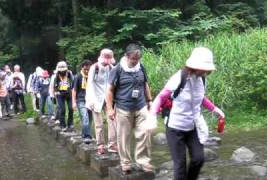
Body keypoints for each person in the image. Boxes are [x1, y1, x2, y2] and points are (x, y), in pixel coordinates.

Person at [149, 47, 225, 180]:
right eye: (204, 68)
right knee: (180, 167)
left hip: (192, 126)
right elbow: (160, 97)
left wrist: (215, 109)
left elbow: (200, 98)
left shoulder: (202, 79)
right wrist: (152, 115)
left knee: (198, 159)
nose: (206, 71)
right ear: (195, 65)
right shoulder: (179, 77)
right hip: (175, 128)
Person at [106, 44, 154, 173]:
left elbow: (145, 84)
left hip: (141, 105)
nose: (135, 61)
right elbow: (109, 90)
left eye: (137, 59)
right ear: (126, 56)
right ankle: (125, 162)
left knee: (144, 132)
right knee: (124, 136)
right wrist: (110, 109)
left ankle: (143, 161)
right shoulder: (117, 69)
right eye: (133, 58)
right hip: (123, 107)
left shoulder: (141, 67)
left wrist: (149, 101)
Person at [86, 48, 117, 155]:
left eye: (109, 59)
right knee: (98, 123)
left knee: (112, 121)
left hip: (108, 99)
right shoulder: (95, 68)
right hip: (96, 98)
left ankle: (112, 145)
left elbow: (114, 85)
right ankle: (100, 145)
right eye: (106, 58)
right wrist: (90, 100)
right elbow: (89, 85)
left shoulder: (112, 68)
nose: (107, 62)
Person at [72, 60, 93, 143]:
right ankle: (87, 136)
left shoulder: (92, 76)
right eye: (85, 69)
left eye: (89, 69)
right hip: (81, 100)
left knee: (90, 119)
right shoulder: (78, 77)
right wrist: (73, 102)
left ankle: (84, 134)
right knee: (85, 117)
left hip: (90, 100)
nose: (87, 71)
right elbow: (74, 90)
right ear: (82, 68)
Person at [53, 61, 74, 131]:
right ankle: (62, 125)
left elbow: (73, 83)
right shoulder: (56, 75)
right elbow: (55, 85)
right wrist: (56, 92)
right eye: (61, 70)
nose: (62, 72)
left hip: (69, 93)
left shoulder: (69, 73)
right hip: (60, 94)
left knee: (71, 108)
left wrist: (72, 90)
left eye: (63, 70)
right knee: (62, 109)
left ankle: (70, 124)